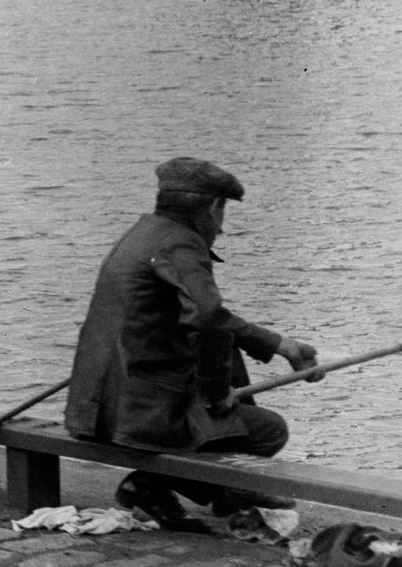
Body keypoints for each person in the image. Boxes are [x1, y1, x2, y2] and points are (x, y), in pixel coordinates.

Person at [63, 158, 316, 537]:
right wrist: (217, 396)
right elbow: (209, 319)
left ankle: (208, 488)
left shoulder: (144, 234)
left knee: (225, 355)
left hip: (96, 407)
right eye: (223, 212)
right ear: (214, 207)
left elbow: (213, 320)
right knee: (269, 431)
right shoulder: (182, 244)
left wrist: (281, 345)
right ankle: (186, 487)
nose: (222, 227)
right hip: (134, 419)